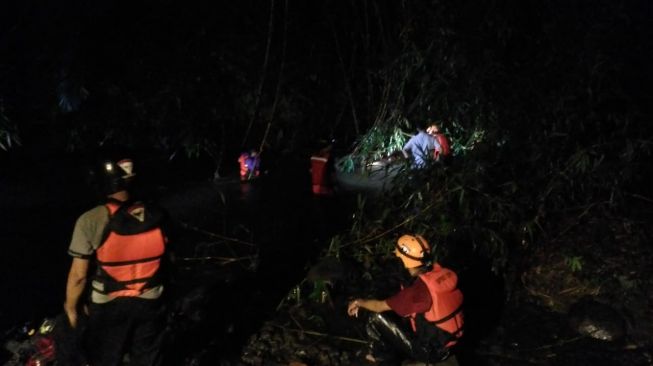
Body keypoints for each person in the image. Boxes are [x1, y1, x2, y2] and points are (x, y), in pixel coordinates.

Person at [64, 157, 170, 366]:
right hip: (150, 298)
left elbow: (79, 276)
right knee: (147, 356)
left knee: (106, 358)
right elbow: (168, 257)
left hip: (108, 303)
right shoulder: (158, 214)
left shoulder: (90, 220)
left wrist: (71, 308)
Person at [347, 235, 464, 364]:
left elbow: (379, 306)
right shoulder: (439, 274)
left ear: (404, 260)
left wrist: (359, 302)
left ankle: (381, 357)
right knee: (402, 314)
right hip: (452, 343)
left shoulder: (417, 291)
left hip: (431, 352)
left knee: (375, 318)